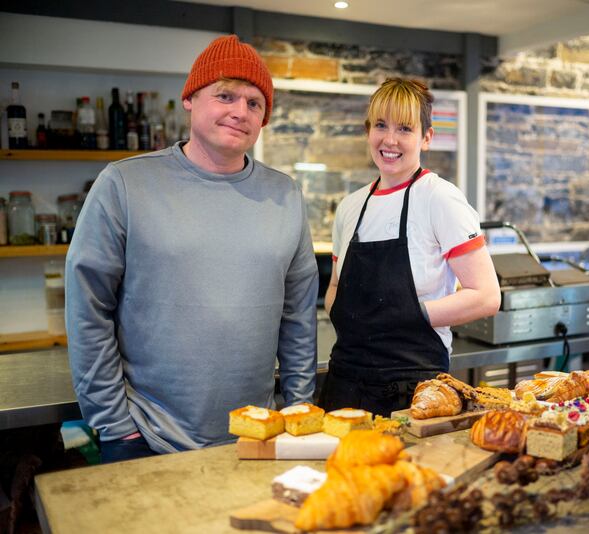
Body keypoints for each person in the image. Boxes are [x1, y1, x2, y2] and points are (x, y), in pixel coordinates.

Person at [65, 35, 318, 462]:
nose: (240, 111)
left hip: (257, 434)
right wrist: (114, 424)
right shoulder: (125, 183)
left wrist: (297, 410)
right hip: (145, 437)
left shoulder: (285, 194)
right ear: (190, 98)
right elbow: (88, 307)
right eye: (226, 95)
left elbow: (298, 316)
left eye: (255, 103)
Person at [319, 78, 501, 417]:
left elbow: (487, 296)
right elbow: (334, 287)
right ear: (367, 131)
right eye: (381, 126)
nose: (390, 140)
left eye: (405, 128)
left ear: (426, 137)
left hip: (414, 391)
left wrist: (410, 317)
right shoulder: (350, 207)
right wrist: (348, 316)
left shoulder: (438, 197)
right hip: (345, 383)